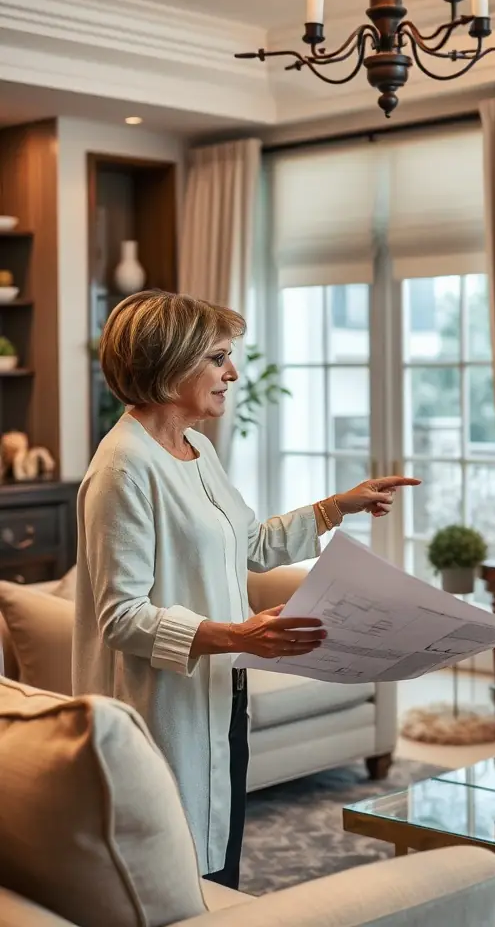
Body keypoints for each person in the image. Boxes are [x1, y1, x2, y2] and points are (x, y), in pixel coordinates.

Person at [72, 289, 420, 890]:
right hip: (162, 709)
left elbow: (248, 544)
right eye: (218, 358)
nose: (232, 373)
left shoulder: (196, 448)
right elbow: (121, 616)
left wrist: (338, 506)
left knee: (219, 857)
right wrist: (238, 633)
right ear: (169, 362)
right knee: (171, 871)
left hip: (223, 689)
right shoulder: (122, 468)